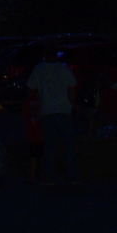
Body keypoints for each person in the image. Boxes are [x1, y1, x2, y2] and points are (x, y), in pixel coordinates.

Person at [25, 48, 78, 187]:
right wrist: (71, 105)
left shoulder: (39, 69)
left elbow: (30, 89)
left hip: (47, 111)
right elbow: (72, 88)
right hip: (64, 111)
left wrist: (39, 98)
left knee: (49, 146)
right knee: (68, 146)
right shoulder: (64, 69)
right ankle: (72, 176)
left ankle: (49, 176)